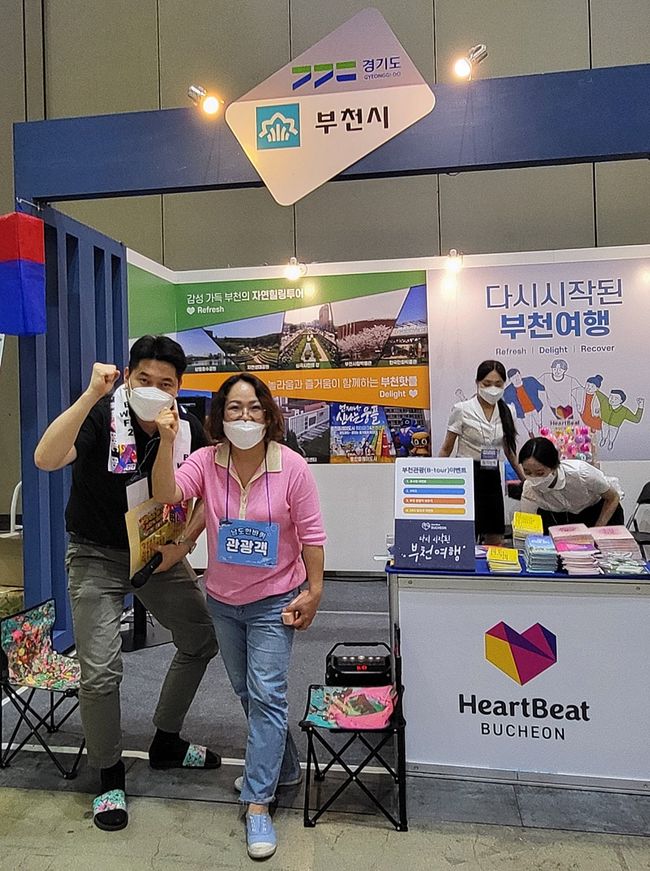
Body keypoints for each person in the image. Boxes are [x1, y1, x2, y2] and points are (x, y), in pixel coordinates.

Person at [34, 335, 221, 832]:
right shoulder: (102, 415)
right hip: (95, 553)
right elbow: (46, 459)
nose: (154, 390)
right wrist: (90, 394)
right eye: (144, 379)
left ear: (179, 387)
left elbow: (211, 492)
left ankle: (166, 741)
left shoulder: (186, 429)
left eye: (166, 383)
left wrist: (183, 545)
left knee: (201, 638)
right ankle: (109, 773)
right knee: (99, 672)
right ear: (129, 377)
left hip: (157, 553)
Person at [152, 373, 326, 861]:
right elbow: (168, 494)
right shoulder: (206, 462)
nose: (244, 417)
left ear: (268, 414)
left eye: (253, 408)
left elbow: (312, 534)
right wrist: (165, 441)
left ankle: (258, 803)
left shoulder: (291, 466)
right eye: (234, 408)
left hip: (275, 599)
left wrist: (315, 590)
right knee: (249, 693)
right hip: (224, 601)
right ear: (220, 416)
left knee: (268, 694)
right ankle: (281, 768)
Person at [439, 360, 524, 545]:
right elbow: (447, 447)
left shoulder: (508, 411)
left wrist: (525, 480)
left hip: (492, 474)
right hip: (465, 475)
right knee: (465, 532)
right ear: (477, 382)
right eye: (487, 384)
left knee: (495, 532)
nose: (493, 389)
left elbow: (510, 451)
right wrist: (438, 480)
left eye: (498, 384)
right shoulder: (462, 409)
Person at [518, 436, 623, 531]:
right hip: (562, 517)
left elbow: (613, 498)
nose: (534, 478)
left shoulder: (580, 473)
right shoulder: (529, 489)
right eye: (527, 472)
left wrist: (596, 531)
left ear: (554, 466)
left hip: (599, 511)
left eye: (540, 473)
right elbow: (529, 527)